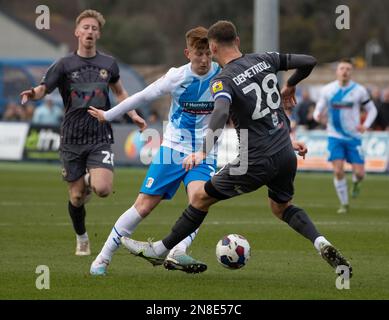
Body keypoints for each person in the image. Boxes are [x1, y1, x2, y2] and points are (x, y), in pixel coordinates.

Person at [119, 20, 353, 278]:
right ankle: (321, 242)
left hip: (256, 161)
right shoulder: (266, 59)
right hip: (285, 153)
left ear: (213, 47)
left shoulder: (223, 79)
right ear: (238, 41)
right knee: (281, 207)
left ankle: (160, 250)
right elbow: (309, 60)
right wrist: (291, 84)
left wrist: (203, 152)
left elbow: (219, 113)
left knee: (199, 198)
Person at [88, 26, 221, 275]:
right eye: (198, 53)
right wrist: (108, 115)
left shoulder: (222, 76)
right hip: (173, 149)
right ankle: (103, 258)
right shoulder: (176, 77)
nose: (203, 59)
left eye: (208, 54)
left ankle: (177, 252)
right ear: (187, 53)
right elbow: (141, 97)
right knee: (144, 206)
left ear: (213, 52)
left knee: (199, 201)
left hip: (205, 152)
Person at [20, 9, 146, 256]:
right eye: (86, 27)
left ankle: (90, 180)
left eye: (94, 28)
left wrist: (132, 114)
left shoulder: (108, 63)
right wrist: (32, 94)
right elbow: (44, 88)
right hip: (72, 137)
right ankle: (82, 237)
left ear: (98, 34)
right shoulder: (64, 64)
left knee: (103, 189)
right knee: (77, 197)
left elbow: (120, 93)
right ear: (77, 32)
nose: (90, 31)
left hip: (99, 134)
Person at [313, 58, 377, 214]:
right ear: (337, 71)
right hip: (334, 136)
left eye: (348, 69)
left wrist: (365, 125)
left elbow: (372, 110)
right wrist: (317, 117)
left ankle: (356, 182)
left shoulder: (359, 90)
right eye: (342, 68)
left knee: (360, 173)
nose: (345, 71)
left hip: (353, 137)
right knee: (338, 171)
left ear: (351, 72)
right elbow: (318, 110)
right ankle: (344, 204)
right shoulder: (327, 90)